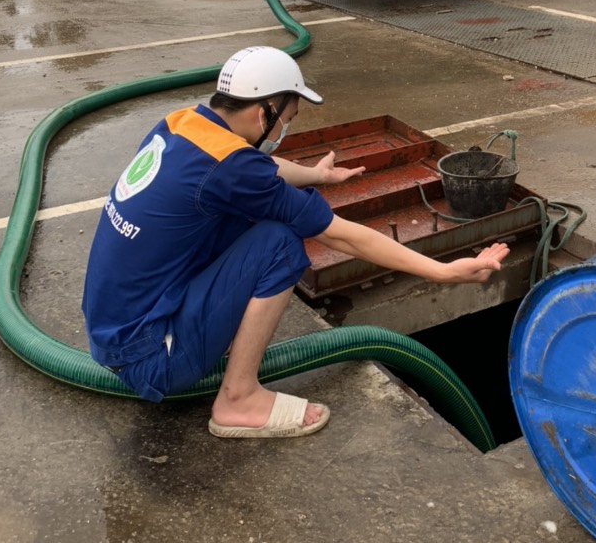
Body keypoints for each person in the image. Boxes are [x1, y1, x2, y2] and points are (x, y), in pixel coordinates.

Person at [82, 45, 508, 440]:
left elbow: (254, 166)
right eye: (289, 117)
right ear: (263, 111)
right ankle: (238, 399)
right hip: (152, 357)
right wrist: (441, 271)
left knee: (241, 219)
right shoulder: (233, 170)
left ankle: (209, 337)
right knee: (281, 242)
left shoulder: (184, 125)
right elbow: (344, 236)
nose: (286, 127)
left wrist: (319, 176)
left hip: (113, 332)